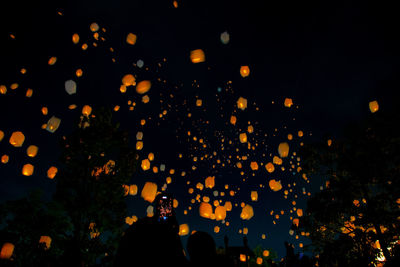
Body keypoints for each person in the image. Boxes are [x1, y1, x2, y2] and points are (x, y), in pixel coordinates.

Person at [114, 193, 188, 267]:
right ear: (157, 207)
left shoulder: (172, 233)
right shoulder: (144, 225)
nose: (165, 208)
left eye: (167, 205)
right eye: (163, 204)